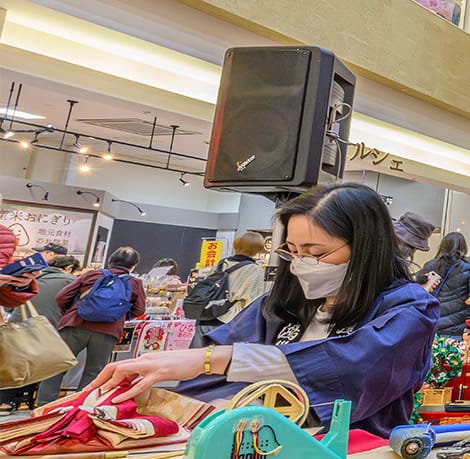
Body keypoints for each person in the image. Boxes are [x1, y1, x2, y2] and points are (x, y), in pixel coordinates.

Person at [92, 183, 437, 436]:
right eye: (293, 251)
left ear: (365, 248)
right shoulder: (282, 303)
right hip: (246, 449)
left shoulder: (407, 308)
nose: (302, 264)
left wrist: (215, 359)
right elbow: (212, 365)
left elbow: (355, 371)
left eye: (316, 253)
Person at [56, 246, 148, 387]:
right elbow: (139, 309)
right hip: (108, 331)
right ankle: (81, 405)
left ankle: (44, 404)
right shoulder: (134, 283)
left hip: (75, 324)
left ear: (110, 260)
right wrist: (118, 316)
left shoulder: (93, 275)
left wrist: (70, 312)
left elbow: (62, 297)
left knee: (57, 367)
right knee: (94, 372)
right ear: (134, 266)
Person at [0, 253, 78, 410]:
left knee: (12, 363)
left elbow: (8, 305)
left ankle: (6, 403)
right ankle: (44, 405)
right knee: (33, 365)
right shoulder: (70, 281)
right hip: (45, 327)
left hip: (17, 322)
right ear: (69, 268)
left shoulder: (41, 279)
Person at [186, 233, 269, 333]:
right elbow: (252, 302)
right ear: (257, 249)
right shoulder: (254, 270)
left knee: (199, 348)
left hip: (206, 315)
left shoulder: (221, 263)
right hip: (229, 321)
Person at [416, 232, 470, 338]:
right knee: (453, 353)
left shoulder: (429, 265)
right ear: (463, 247)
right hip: (457, 326)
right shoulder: (468, 267)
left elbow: (419, 290)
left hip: (432, 322)